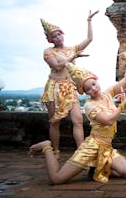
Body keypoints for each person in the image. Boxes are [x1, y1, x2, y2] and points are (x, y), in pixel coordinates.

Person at [29, 52, 126, 185]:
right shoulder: (90, 105)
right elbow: (109, 121)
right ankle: (47, 147)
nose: (94, 89)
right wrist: (121, 107)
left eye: (94, 84)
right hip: (92, 147)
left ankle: (96, 168)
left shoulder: (107, 93)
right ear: (84, 92)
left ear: (97, 80)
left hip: (106, 147)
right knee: (57, 179)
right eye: (89, 88)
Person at [39, 10, 98, 155]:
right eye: (54, 36)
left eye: (59, 34)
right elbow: (58, 67)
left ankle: (81, 152)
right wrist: (74, 56)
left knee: (77, 120)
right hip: (55, 88)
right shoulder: (48, 51)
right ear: (50, 40)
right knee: (54, 122)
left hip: (69, 87)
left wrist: (89, 21)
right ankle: (55, 151)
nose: (58, 37)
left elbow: (89, 39)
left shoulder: (71, 49)